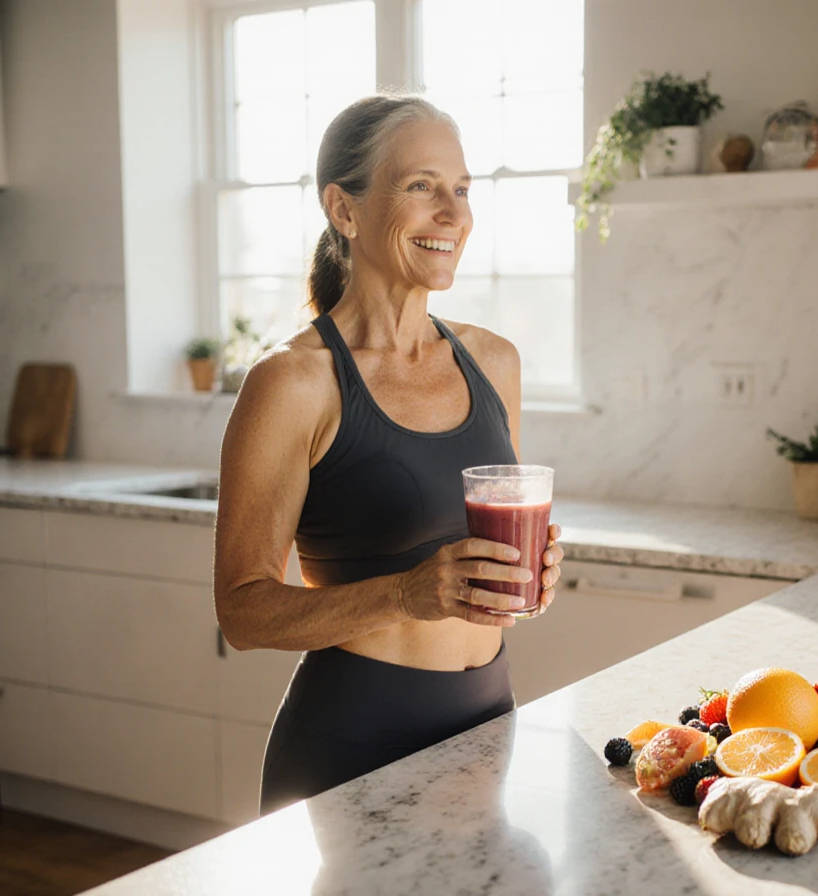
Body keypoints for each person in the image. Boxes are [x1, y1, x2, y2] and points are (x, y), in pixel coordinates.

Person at [213, 94, 564, 816]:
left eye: (462, 190)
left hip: (484, 725)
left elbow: (479, 546)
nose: (454, 213)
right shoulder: (293, 382)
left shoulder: (494, 361)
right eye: (421, 186)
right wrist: (407, 594)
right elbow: (242, 613)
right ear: (344, 210)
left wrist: (531, 568)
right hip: (351, 744)